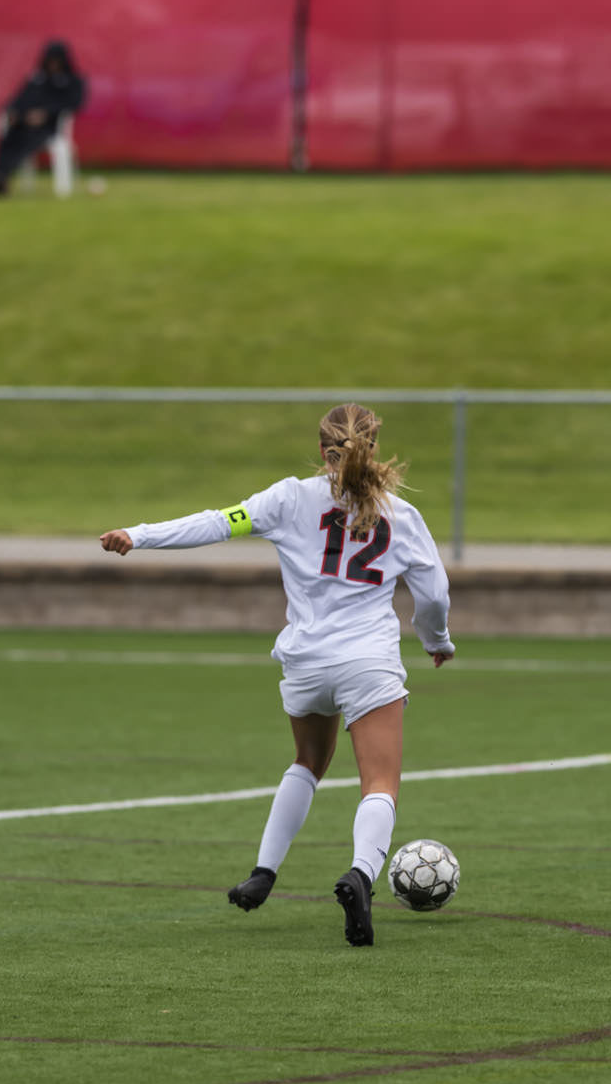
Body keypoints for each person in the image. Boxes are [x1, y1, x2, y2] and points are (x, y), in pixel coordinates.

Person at [98, 403, 454, 948]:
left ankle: (264, 872)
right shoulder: (401, 515)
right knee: (378, 783)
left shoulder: (289, 497)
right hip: (368, 663)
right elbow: (433, 595)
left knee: (308, 762)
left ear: (321, 449)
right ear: (375, 448)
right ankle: (359, 875)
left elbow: (219, 522)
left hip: (306, 662)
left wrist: (138, 535)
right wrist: (437, 641)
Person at [0, 39, 88, 197]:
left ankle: (0, 176)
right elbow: (18, 100)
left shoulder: (73, 81)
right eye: (50, 60)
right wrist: (13, 112)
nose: (53, 64)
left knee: (26, 142)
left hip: (49, 129)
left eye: (56, 61)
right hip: (23, 125)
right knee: (8, 139)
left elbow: (74, 104)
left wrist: (45, 114)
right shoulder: (36, 80)